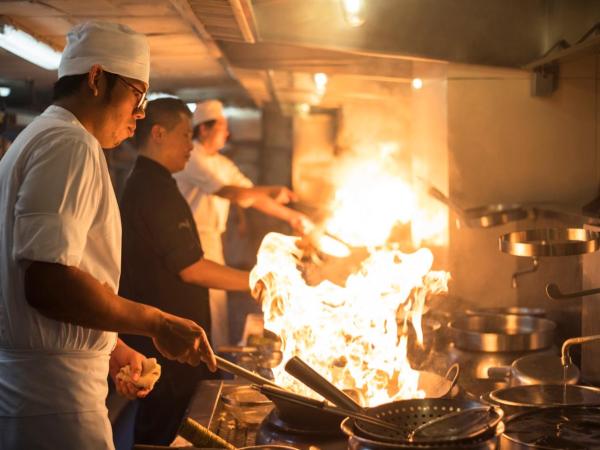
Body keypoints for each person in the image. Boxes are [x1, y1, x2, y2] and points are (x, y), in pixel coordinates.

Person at [0, 22, 215, 450]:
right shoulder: (69, 143)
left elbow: (63, 271)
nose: (139, 115)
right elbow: (48, 283)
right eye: (138, 96)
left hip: (42, 393)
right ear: (97, 79)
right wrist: (155, 322)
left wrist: (111, 348)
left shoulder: (40, 138)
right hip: (55, 404)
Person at [119, 98, 252, 445]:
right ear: (159, 134)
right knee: (162, 427)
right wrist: (256, 282)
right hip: (166, 340)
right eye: (184, 135)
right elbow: (190, 268)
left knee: (165, 422)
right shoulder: (153, 190)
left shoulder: (157, 183)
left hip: (170, 337)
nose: (190, 146)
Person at [174, 100, 307, 346]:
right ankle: (202, 365)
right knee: (203, 308)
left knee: (217, 309)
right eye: (222, 126)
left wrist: (293, 217)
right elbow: (234, 194)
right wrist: (273, 189)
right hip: (190, 240)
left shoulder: (222, 163)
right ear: (204, 129)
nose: (227, 132)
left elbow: (251, 195)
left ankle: (214, 362)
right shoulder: (193, 158)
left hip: (213, 240)